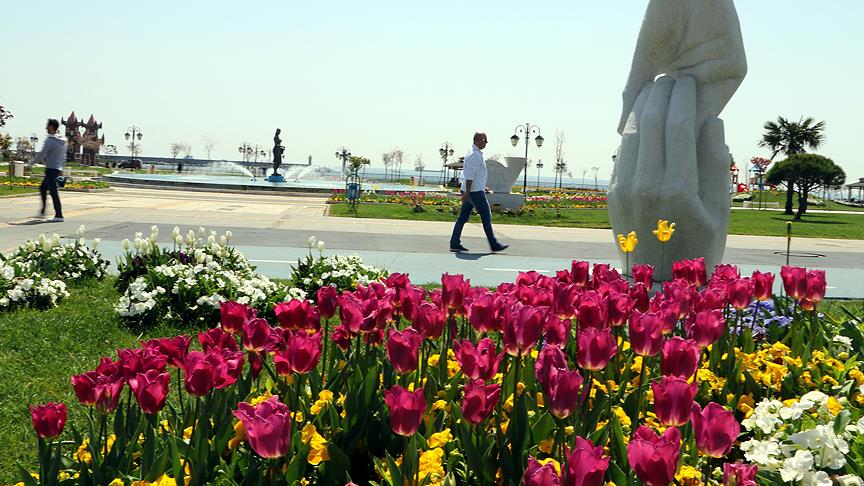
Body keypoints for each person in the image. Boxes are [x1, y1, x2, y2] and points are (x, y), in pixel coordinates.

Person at [449, 132, 508, 253]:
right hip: (474, 192)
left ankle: (454, 243)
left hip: (472, 190)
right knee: (486, 216)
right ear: (476, 140)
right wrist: (468, 192)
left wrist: (481, 187)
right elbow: (470, 175)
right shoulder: (475, 155)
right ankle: (494, 244)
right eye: (484, 140)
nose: (486, 143)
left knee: (463, 217)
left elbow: (476, 175)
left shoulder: (474, 153)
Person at [31, 118, 67, 222]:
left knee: (53, 192)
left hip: (51, 169)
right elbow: (63, 156)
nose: (46, 128)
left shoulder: (50, 140)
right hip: (57, 168)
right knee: (43, 188)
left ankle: (59, 215)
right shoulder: (63, 140)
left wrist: (31, 163)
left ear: (51, 127)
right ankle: (43, 212)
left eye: (47, 126)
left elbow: (42, 154)